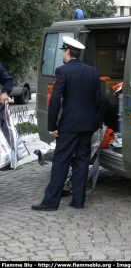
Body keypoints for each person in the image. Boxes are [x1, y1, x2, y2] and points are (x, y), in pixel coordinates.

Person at [31, 36, 101, 211]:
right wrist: (94, 121)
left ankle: (50, 202)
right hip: (87, 125)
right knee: (82, 161)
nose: (63, 53)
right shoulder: (92, 71)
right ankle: (78, 200)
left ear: (67, 51)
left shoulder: (62, 71)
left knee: (61, 161)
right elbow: (98, 100)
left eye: (63, 50)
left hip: (69, 125)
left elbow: (55, 100)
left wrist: (52, 125)